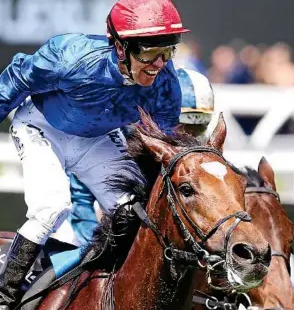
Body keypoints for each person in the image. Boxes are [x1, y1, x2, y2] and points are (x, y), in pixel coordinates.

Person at [0, 0, 189, 310]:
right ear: (120, 48)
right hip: (42, 128)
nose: (160, 64)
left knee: (133, 211)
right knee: (52, 207)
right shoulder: (71, 57)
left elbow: (163, 146)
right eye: (150, 51)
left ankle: (101, 295)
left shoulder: (165, 85)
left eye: (168, 51)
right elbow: (21, 73)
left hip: (96, 139)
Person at [65, 67, 215, 251]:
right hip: (87, 231)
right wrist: (92, 249)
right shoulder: (117, 139)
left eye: (195, 130)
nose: (186, 139)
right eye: (180, 127)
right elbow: (80, 199)